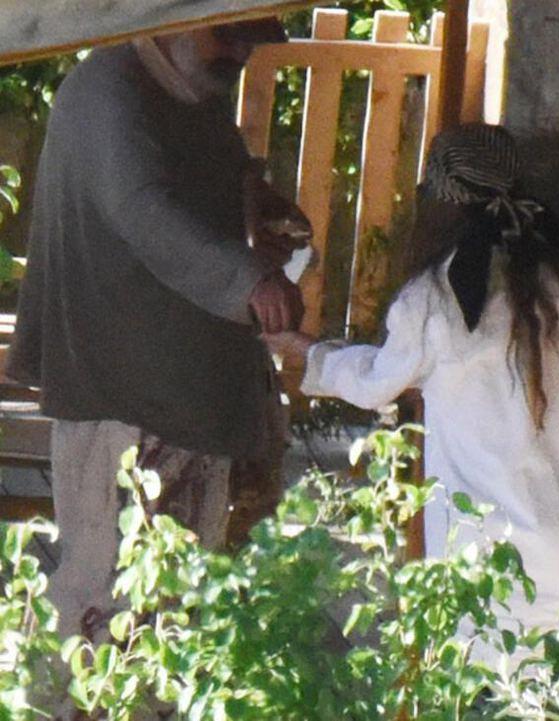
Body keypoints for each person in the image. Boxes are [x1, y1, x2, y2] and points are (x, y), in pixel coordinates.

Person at [265, 123, 559, 661]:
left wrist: (306, 351)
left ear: (438, 198)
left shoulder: (437, 296)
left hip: (496, 588)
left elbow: (376, 381)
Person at [6, 17, 306, 650]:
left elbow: (219, 177)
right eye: (227, 34)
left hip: (187, 391)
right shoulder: (106, 91)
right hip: (120, 401)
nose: (241, 51)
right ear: (175, 21)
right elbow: (142, 209)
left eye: (249, 39)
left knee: (181, 612)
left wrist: (258, 208)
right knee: (109, 612)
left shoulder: (190, 88)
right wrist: (248, 280)